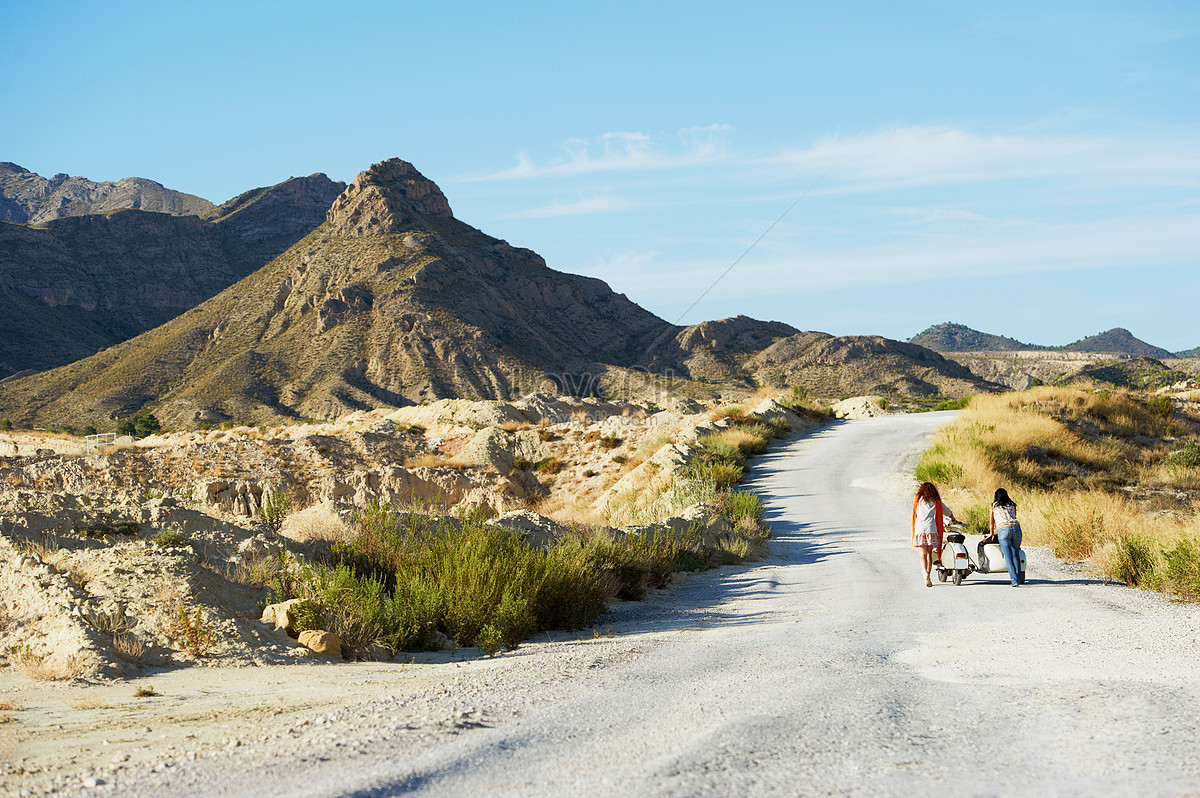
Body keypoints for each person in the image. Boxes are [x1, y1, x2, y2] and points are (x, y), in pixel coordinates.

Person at [911, 482, 959, 587]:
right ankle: (928, 576)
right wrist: (953, 518)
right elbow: (947, 511)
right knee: (929, 554)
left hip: (920, 529)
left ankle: (925, 573)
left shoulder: (918, 500)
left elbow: (914, 513)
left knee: (922, 555)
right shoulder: (936, 501)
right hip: (931, 528)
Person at [989, 487, 1024, 587]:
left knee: (1008, 557)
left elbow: (992, 522)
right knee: (1015, 554)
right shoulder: (1012, 504)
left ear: (996, 496)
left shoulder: (993, 506)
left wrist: (991, 533)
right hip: (1016, 528)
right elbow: (1014, 516)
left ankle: (1014, 581)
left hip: (1004, 529)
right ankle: (1018, 578)